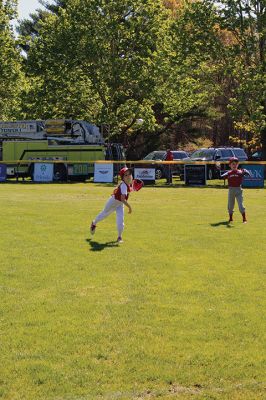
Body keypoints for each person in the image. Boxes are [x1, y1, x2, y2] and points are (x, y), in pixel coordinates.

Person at [90, 167, 133, 243]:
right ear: (122, 178)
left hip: (119, 204)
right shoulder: (123, 185)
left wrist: (132, 188)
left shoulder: (127, 184)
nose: (129, 176)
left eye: (129, 174)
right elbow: (123, 199)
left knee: (120, 220)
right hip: (112, 202)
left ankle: (119, 237)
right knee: (104, 214)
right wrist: (129, 207)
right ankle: (94, 223)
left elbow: (127, 191)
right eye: (126, 175)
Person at [220, 157, 251, 223]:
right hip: (231, 190)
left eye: (236, 164)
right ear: (230, 165)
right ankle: (230, 218)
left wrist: (246, 172)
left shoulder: (240, 172)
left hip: (238, 190)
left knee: (241, 205)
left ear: (238, 164)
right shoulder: (229, 173)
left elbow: (247, 173)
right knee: (230, 205)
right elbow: (222, 176)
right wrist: (221, 175)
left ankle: (244, 219)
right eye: (232, 164)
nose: (234, 165)